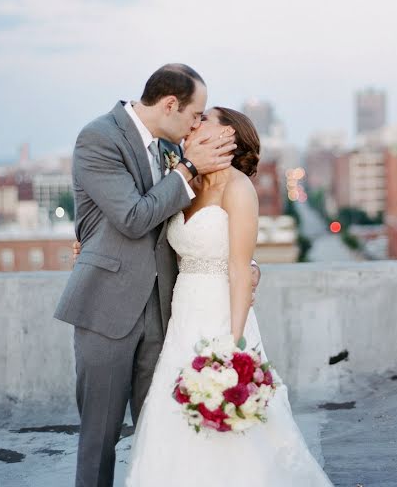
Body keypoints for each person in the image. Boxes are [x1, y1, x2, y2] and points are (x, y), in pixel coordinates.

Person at [54, 64, 259, 487]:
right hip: (107, 309)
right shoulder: (100, 138)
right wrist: (186, 169)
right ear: (170, 105)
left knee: (163, 436)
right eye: (194, 114)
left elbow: (197, 227)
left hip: (167, 315)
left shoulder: (174, 150)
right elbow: (132, 217)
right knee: (100, 439)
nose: (197, 124)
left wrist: (247, 266)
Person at [124, 107, 333, 486]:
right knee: (172, 415)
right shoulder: (183, 182)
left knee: (231, 413)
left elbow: (238, 268)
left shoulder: (239, 188)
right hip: (181, 317)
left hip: (223, 314)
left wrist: (234, 348)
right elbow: (143, 224)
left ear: (227, 137)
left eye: (204, 118)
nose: (194, 122)